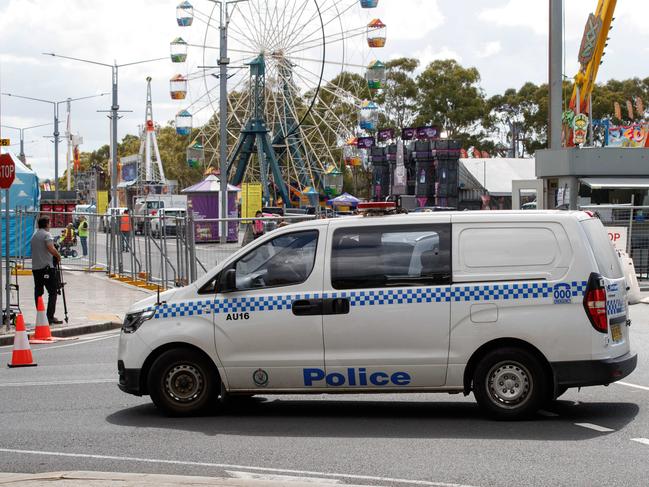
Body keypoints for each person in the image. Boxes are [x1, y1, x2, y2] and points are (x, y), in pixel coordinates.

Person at [31, 216, 62, 325]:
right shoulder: (46, 234)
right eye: (49, 223)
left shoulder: (34, 235)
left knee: (38, 292)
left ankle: (40, 315)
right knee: (53, 292)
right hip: (46, 268)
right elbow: (50, 248)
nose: (50, 225)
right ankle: (49, 317)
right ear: (47, 224)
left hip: (36, 268)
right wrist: (58, 256)